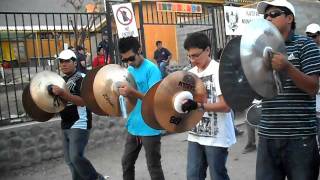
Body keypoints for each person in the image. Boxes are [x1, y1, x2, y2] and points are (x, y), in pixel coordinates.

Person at [255, 0, 320, 179]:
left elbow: (313, 88)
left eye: (273, 14)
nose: (268, 18)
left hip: (299, 138)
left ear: (289, 18)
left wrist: (287, 67)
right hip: (267, 134)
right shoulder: (259, 48)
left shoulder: (306, 45)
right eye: (265, 15)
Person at [181, 32, 236, 180]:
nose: (192, 60)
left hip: (217, 136)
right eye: (189, 56)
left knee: (218, 175)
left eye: (196, 55)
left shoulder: (219, 71)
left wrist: (198, 105)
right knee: (193, 175)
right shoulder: (189, 74)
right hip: (195, 134)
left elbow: (226, 106)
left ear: (207, 50)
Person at [51, 49, 108, 180]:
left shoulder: (83, 79)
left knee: (76, 157)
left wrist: (63, 94)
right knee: (70, 161)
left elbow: (84, 101)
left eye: (67, 61)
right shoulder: (61, 81)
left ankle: (97, 178)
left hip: (80, 122)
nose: (63, 64)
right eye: (61, 62)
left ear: (75, 63)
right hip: (65, 123)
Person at [117, 36, 165, 180]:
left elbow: (154, 100)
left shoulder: (152, 69)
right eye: (125, 60)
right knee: (126, 162)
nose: (129, 62)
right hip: (134, 125)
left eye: (131, 58)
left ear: (139, 50)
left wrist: (132, 92)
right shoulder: (129, 70)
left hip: (150, 126)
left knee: (153, 166)